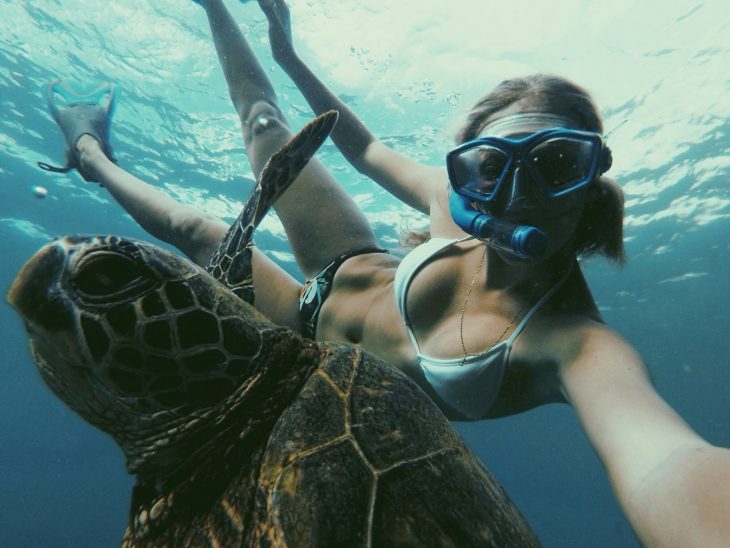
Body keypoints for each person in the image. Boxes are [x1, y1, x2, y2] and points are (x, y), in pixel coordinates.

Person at [40, 1, 730, 546]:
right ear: (467, 172)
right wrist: (288, 52)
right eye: (493, 167)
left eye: (554, 165)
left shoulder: (574, 345)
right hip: (345, 255)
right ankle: (205, 16)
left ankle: (90, 151)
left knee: (193, 231)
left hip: (298, 342)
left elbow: (667, 461)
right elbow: (364, 146)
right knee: (264, 127)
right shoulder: (455, 206)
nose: (518, 193)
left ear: (591, 177)